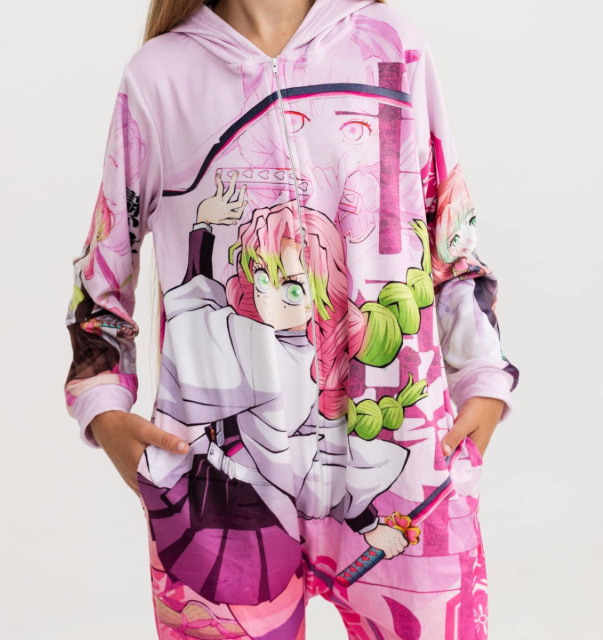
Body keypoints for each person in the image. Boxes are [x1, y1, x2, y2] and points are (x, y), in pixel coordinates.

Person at [63, 1, 520, 638]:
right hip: (222, 500)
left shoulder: (389, 48)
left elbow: (449, 234)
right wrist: (103, 408)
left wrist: (485, 378)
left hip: (400, 477)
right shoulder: (158, 78)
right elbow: (104, 269)